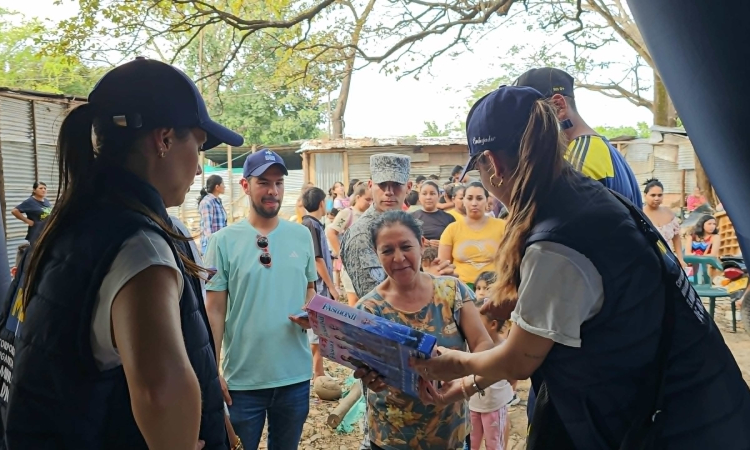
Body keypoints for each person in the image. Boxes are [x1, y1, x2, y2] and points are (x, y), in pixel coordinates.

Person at [412, 85, 750, 449]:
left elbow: (519, 360)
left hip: (674, 422)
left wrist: (457, 366)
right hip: (699, 398)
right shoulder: (589, 199)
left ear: (493, 164)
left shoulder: (556, 242)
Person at [6, 57, 244, 449]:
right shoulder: (140, 247)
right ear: (164, 139)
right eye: (198, 146)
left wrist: (206, 385)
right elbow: (159, 391)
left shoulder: (74, 223)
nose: (199, 169)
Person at [340, 154, 455, 450]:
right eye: (382, 185)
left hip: (425, 361)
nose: (389, 192)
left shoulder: (407, 222)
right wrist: (429, 277)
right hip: (387, 358)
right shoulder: (361, 233)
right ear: (370, 186)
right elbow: (380, 302)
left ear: (408, 187)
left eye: (396, 185)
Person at [205, 150, 317, 450]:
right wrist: (213, 372)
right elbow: (214, 311)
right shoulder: (223, 241)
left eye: (279, 183)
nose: (273, 191)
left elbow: (310, 289)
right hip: (243, 381)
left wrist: (311, 311)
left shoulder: (301, 235)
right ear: (245, 186)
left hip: (294, 376)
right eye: (263, 182)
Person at [354, 211, 494, 450]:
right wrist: (370, 378)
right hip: (392, 436)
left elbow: (484, 346)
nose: (398, 258)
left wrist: (464, 383)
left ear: (421, 245)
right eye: (387, 250)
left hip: (449, 430)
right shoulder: (368, 309)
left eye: (406, 246)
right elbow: (367, 368)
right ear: (376, 255)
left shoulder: (452, 291)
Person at [514, 67, 643, 208]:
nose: (525, 128)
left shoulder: (578, 160)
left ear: (559, 106)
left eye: (530, 116)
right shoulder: (604, 150)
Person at [468, 293, 513, 450]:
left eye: (477, 322)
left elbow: (513, 377)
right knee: (472, 442)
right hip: (472, 405)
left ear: (493, 325)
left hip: (494, 407)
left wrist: (506, 395)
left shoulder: (505, 349)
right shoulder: (470, 345)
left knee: (494, 444)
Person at [438, 182, 506, 287]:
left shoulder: (503, 227)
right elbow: (444, 266)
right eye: (469, 198)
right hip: (462, 290)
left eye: (479, 198)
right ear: (464, 201)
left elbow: (511, 262)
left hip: (495, 289)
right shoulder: (452, 229)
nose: (474, 203)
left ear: (487, 201)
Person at [302, 186, 337, 381]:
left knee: (319, 329)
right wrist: (331, 286)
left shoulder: (313, 224)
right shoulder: (311, 225)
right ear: (322, 203)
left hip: (318, 286)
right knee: (316, 330)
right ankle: (317, 372)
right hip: (318, 287)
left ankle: (318, 370)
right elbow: (317, 260)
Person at [327, 182, 373, 306]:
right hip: (351, 265)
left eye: (372, 200)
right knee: (354, 302)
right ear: (358, 197)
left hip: (368, 264)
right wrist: (341, 254)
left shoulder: (371, 215)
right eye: (367, 199)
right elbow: (331, 232)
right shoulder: (348, 213)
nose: (370, 203)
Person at [642, 178, 686, 267]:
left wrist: (680, 259)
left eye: (659, 195)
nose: (656, 198)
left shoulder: (669, 213)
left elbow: (676, 238)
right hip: (646, 261)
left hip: (667, 261)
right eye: (653, 195)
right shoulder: (640, 214)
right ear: (645, 195)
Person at [411, 180, 455, 246]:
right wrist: (417, 241)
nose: (428, 197)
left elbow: (456, 242)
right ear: (419, 196)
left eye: (432, 194)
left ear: (439, 195)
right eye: (424, 194)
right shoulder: (410, 218)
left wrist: (444, 244)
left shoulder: (449, 218)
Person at [198, 174, 227, 254]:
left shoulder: (217, 201)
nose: (224, 187)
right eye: (223, 184)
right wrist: (213, 248)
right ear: (217, 187)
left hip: (219, 244)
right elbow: (208, 229)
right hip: (211, 246)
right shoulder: (207, 202)